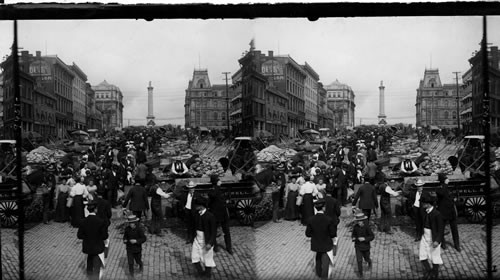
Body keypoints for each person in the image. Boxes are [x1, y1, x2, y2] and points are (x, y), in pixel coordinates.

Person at [305, 199, 337, 279]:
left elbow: (308, 234)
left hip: (316, 244)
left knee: (318, 259)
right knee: (325, 261)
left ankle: (319, 274)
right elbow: (333, 234)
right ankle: (324, 277)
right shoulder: (328, 219)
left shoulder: (311, 219)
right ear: (323, 208)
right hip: (326, 244)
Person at [77, 201, 109, 280]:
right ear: (95, 209)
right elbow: (105, 236)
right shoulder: (101, 221)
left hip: (87, 247)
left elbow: (79, 235)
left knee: (89, 265)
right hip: (98, 248)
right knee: (97, 267)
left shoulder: (83, 221)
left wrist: (88, 237)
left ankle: (90, 277)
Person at [419, 192, 445, 280]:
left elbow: (441, 229)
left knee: (435, 257)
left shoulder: (437, 214)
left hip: (433, 237)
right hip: (424, 236)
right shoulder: (424, 211)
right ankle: (430, 272)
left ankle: (434, 275)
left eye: (423, 203)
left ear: (428, 204)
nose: (422, 205)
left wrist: (437, 240)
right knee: (422, 256)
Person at [191, 196, 217, 278]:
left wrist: (210, 243)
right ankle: (201, 272)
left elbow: (213, 232)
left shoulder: (210, 216)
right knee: (194, 257)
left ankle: (207, 275)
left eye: (197, 205)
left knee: (207, 259)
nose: (195, 207)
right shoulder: (196, 214)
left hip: (206, 239)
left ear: (201, 206)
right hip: (197, 239)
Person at [208, 175, 233, 255]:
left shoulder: (216, 190)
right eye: (219, 180)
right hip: (217, 214)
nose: (220, 181)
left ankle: (226, 247)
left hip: (221, 214)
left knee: (223, 231)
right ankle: (219, 247)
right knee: (217, 231)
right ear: (217, 182)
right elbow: (214, 196)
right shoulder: (214, 190)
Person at [435, 173, 460, 252]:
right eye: (446, 178)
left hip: (451, 211)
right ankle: (443, 243)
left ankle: (457, 245)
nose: (447, 179)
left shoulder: (447, 188)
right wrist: (445, 184)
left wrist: (453, 199)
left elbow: (449, 197)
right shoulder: (439, 188)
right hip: (443, 212)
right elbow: (442, 193)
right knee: (441, 228)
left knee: (454, 229)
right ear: (443, 180)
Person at [351, 213, 374, 278]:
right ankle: (360, 274)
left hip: (366, 246)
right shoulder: (355, 227)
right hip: (358, 246)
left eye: (360, 221)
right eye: (358, 221)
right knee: (359, 260)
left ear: (363, 221)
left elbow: (372, 236)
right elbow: (353, 234)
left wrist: (364, 239)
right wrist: (353, 238)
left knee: (366, 258)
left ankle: (369, 262)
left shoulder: (367, 227)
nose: (359, 223)